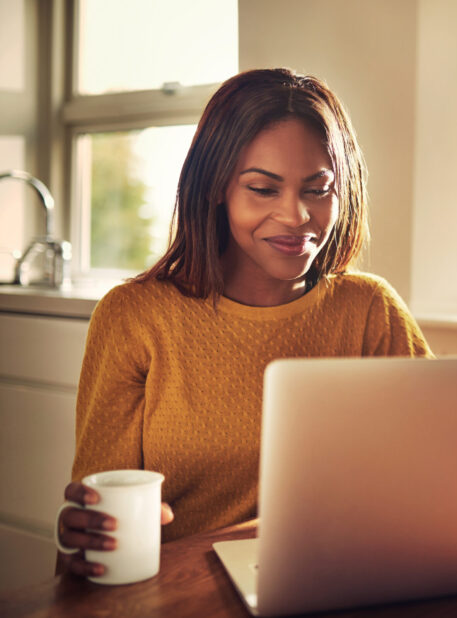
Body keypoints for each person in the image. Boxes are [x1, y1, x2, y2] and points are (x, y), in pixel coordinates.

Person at [55, 68, 432, 578]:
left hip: (335, 580)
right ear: (216, 187)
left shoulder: (370, 311)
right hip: (178, 594)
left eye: (318, 189)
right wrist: (84, 539)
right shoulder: (135, 317)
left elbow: (441, 470)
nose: (296, 216)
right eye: (263, 189)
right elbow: (94, 529)